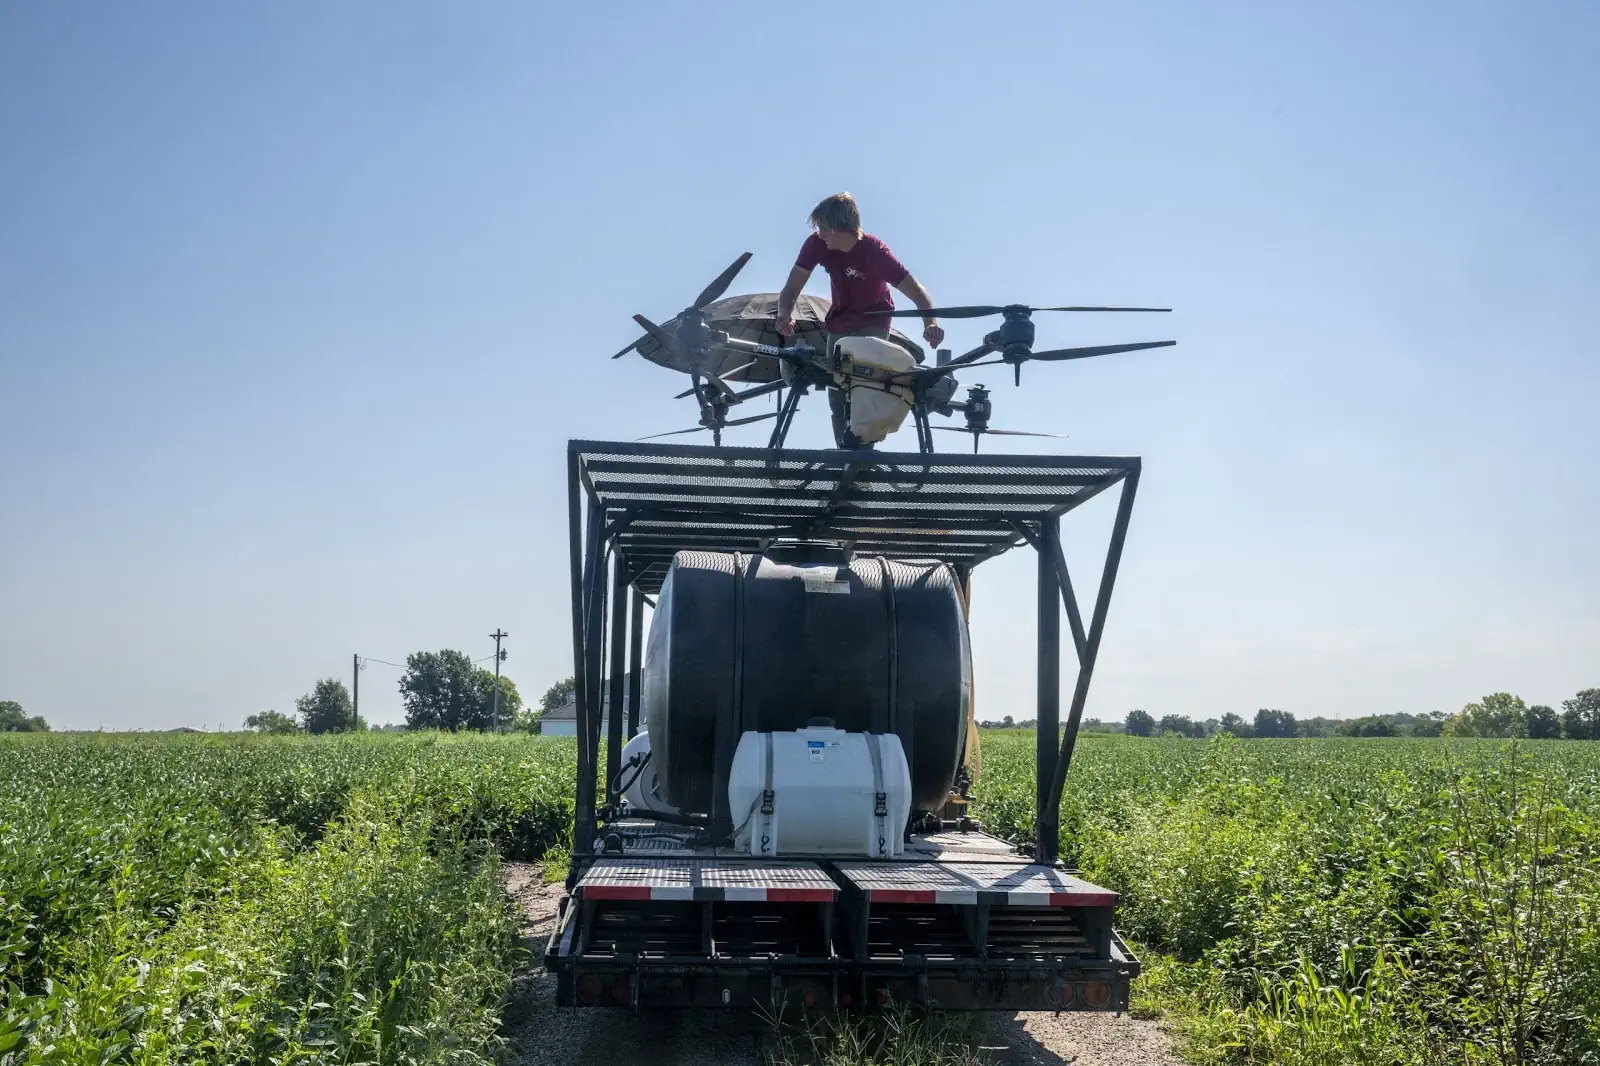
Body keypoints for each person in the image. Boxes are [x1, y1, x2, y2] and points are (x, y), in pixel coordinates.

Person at [774, 192, 945, 445]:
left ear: (838, 227)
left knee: (864, 390)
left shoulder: (875, 252)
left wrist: (930, 323)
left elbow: (918, 292)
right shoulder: (816, 244)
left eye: (823, 228)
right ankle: (844, 454)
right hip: (839, 323)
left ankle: (864, 452)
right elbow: (791, 288)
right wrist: (784, 314)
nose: (819, 234)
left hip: (873, 322)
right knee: (837, 393)